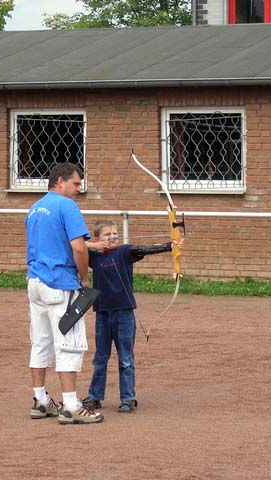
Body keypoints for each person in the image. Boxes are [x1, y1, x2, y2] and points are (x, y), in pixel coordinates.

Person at [25, 162, 103, 425]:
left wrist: (92, 244)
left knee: (41, 342)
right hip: (60, 283)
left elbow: (56, 240)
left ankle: (41, 400)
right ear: (60, 181)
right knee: (69, 343)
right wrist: (84, 276)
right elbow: (78, 248)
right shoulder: (67, 206)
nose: (79, 190)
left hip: (36, 282)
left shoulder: (36, 208)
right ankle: (70, 404)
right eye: (76, 184)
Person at [83, 220, 182, 413]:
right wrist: (93, 245)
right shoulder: (93, 257)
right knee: (100, 357)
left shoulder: (125, 251)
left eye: (114, 233)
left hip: (124, 312)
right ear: (97, 238)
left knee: (125, 359)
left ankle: (128, 398)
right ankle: (95, 397)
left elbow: (145, 248)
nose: (112, 237)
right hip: (102, 313)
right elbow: (73, 245)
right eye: (106, 234)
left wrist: (171, 246)